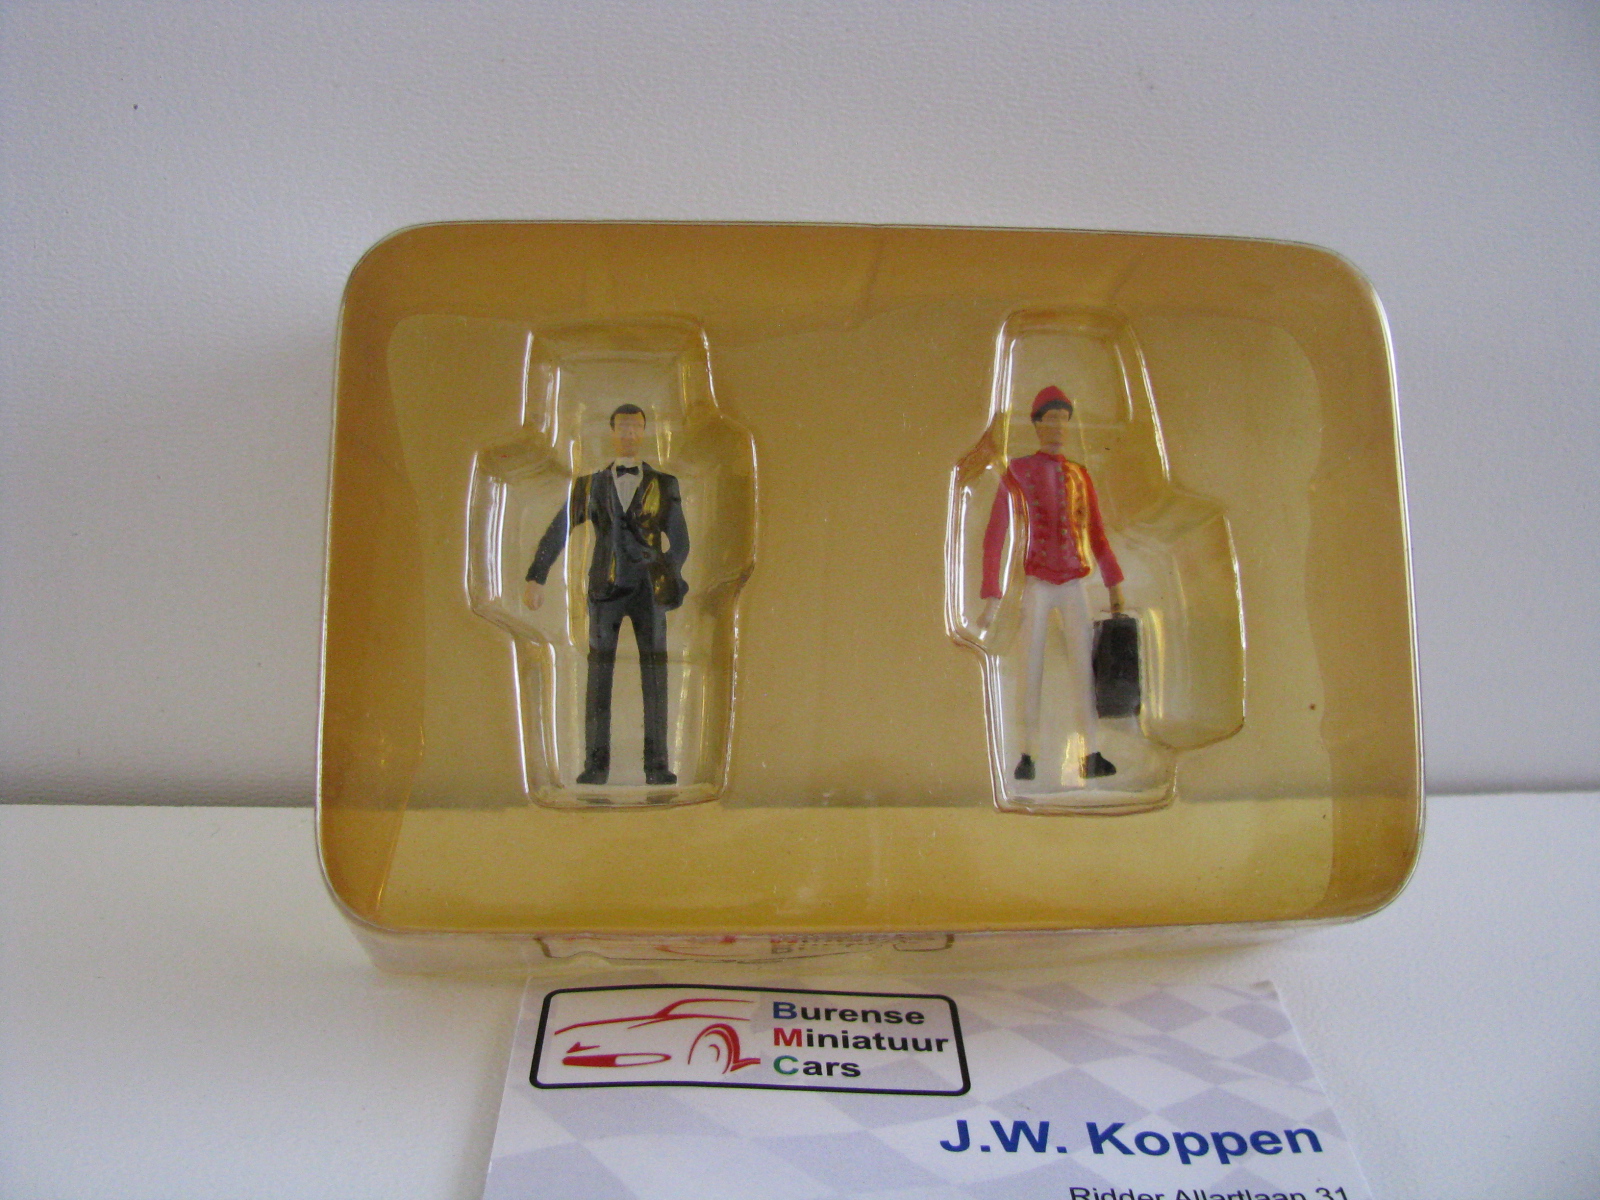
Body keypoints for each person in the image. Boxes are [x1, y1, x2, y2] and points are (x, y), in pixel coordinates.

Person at [523, 404, 689, 786]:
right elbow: (559, 529)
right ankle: (595, 766)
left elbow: (680, 541)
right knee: (598, 677)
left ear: (644, 433)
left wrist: (667, 574)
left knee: (656, 676)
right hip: (605, 590)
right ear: (612, 432)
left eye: (636, 428)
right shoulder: (589, 485)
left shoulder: (665, 484)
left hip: (648, 592)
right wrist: (537, 575)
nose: (629, 435)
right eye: (622, 428)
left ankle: (657, 765)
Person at [980, 385, 1124, 782]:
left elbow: (1096, 534)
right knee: (1030, 666)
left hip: (1074, 583)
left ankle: (1092, 752)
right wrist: (992, 594)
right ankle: (1027, 754)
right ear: (1038, 424)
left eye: (1064, 420)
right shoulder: (1018, 471)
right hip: (1037, 584)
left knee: (1084, 667)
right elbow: (996, 533)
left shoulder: (1079, 474)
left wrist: (1113, 583)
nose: (1059, 428)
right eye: (1051, 420)